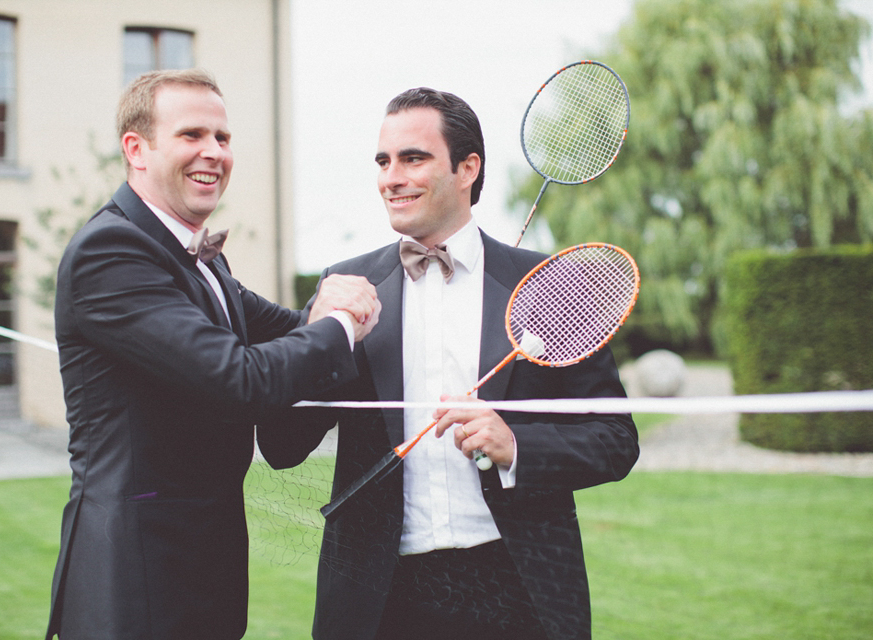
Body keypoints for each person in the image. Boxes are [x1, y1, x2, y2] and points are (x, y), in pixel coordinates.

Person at [258, 88, 639, 640]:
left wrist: (516, 448)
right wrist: (322, 331)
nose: (391, 177)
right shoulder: (344, 287)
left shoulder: (548, 287)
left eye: (413, 158)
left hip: (518, 583)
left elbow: (615, 440)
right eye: (383, 161)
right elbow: (282, 445)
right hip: (379, 595)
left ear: (468, 168)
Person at [45, 69, 379, 640]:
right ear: (137, 149)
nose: (214, 153)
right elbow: (239, 378)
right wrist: (345, 320)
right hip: (135, 581)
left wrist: (373, 299)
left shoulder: (203, 261)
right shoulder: (111, 252)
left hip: (206, 571)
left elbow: (293, 331)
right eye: (191, 135)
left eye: (222, 138)